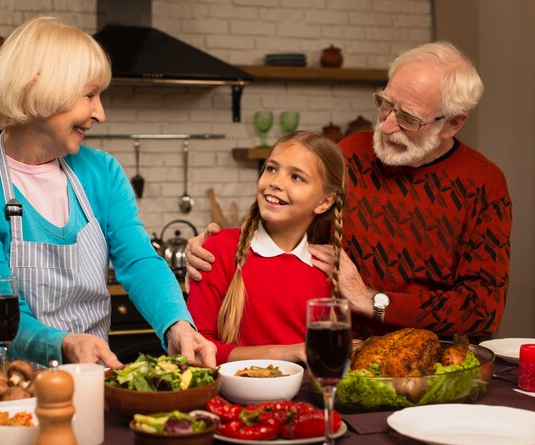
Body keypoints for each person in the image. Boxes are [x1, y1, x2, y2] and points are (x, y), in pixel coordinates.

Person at [0, 16, 216, 368]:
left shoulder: (102, 172)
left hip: (94, 382)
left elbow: (138, 261)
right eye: (90, 95)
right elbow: (1, 314)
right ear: (36, 91)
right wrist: (64, 344)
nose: (100, 113)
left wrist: (177, 324)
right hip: (8, 388)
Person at [186, 41, 512, 343]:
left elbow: (483, 310)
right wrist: (217, 250)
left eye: (408, 119)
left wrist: (373, 300)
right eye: (385, 104)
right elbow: (291, 224)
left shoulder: (484, 184)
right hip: (340, 354)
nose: (386, 126)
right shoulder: (351, 153)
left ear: (452, 123)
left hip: (430, 360)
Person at [186, 131, 346, 365]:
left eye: (297, 177)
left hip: (304, 401)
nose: (275, 182)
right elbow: (195, 349)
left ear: (324, 202)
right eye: (271, 169)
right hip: (227, 400)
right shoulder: (217, 250)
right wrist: (288, 352)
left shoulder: (327, 268)